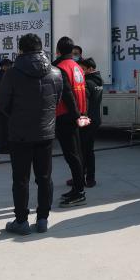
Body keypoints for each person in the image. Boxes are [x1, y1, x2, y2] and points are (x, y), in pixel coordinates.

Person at [0, 34, 63, 234]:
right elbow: (56, 100)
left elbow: (1, 105)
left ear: (21, 50)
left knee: (20, 180)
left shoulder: (12, 73)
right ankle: (43, 219)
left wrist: (16, 116)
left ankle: (21, 221)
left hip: (20, 134)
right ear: (41, 48)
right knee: (45, 178)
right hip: (46, 133)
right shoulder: (56, 72)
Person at [53, 36, 88, 207]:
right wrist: (82, 115)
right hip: (78, 114)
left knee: (72, 156)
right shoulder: (77, 67)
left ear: (58, 51)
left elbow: (67, 95)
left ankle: (79, 192)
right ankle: (77, 188)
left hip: (67, 116)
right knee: (76, 154)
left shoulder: (61, 68)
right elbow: (82, 93)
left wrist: (74, 116)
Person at [78, 57, 103, 188]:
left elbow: (85, 104)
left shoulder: (87, 82)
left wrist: (81, 119)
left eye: (82, 69)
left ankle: (87, 178)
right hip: (95, 119)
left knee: (84, 151)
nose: (80, 71)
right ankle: (82, 176)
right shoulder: (98, 81)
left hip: (86, 120)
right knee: (87, 150)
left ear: (90, 69)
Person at [0, 58, 14, 154]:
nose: (11, 67)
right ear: (3, 66)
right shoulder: (2, 76)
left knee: (5, 127)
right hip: (3, 106)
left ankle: (3, 146)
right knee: (4, 128)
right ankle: (3, 147)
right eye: (9, 65)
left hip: (3, 106)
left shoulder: (4, 75)